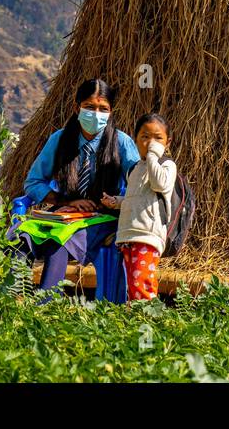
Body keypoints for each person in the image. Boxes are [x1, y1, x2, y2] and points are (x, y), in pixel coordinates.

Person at [21, 78, 140, 298]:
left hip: (103, 220)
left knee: (60, 243)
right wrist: (65, 202)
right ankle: (4, 302)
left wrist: (115, 202)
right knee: (21, 239)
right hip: (64, 217)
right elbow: (33, 182)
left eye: (103, 109)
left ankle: (45, 305)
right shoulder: (60, 140)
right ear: (76, 108)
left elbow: (140, 187)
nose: (95, 114)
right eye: (89, 107)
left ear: (111, 112)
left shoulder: (121, 143)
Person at [105, 113, 176, 301]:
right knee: (132, 282)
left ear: (167, 142)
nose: (151, 142)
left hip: (147, 235)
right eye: (145, 137)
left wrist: (153, 154)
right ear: (135, 139)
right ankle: (136, 318)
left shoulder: (167, 165)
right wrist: (116, 201)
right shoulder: (135, 169)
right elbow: (135, 197)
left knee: (142, 281)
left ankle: (147, 319)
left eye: (158, 138)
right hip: (128, 233)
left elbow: (159, 184)